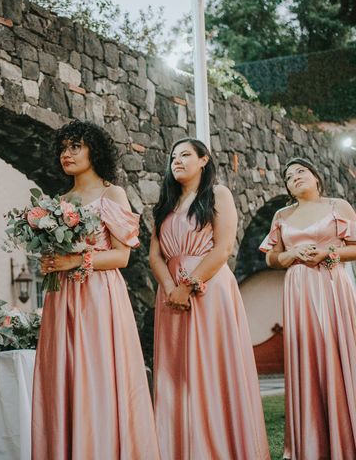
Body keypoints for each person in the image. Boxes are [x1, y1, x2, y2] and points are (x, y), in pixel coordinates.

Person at [31, 120, 160, 460]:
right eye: (63, 148)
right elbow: (55, 252)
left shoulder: (111, 193)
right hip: (62, 298)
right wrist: (51, 261)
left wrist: (74, 260)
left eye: (76, 147)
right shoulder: (57, 202)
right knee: (65, 373)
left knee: (98, 373)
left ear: (95, 151)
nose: (67, 154)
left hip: (99, 296)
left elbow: (122, 255)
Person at [150, 138, 269, 459]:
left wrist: (188, 286)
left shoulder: (218, 195)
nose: (177, 160)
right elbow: (155, 255)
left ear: (204, 160)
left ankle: (218, 444)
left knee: (211, 364)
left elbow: (223, 247)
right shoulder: (165, 204)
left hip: (209, 287)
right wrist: (170, 288)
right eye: (173, 156)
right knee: (177, 373)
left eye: (186, 155)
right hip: (170, 293)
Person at [260, 157, 356, 459]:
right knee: (308, 355)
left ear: (316, 177)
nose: (295, 177)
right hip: (298, 288)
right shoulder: (281, 214)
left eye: (301, 171)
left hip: (331, 283)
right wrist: (290, 255)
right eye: (289, 177)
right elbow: (270, 258)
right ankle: (313, 441)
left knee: (339, 350)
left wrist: (328, 252)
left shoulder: (336, 206)